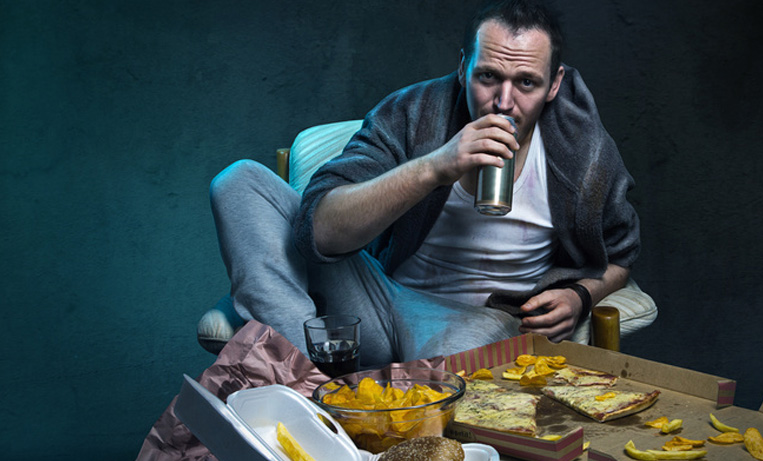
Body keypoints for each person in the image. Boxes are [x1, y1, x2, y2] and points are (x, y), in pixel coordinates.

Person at [209, 0, 640, 367]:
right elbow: (318, 233)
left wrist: (582, 296)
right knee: (239, 181)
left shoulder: (582, 151)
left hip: (478, 323)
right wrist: (435, 167)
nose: (504, 101)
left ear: (554, 84)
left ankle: (321, 389)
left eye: (526, 82)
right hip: (380, 298)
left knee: (451, 376)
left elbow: (621, 256)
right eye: (487, 76)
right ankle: (298, 379)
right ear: (462, 66)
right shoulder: (411, 113)